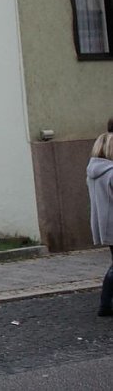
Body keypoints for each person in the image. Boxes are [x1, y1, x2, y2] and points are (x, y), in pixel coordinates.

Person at [87, 131, 113, 316]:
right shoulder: (111, 173)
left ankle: (106, 303)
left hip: (105, 225)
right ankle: (105, 304)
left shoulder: (93, 172)